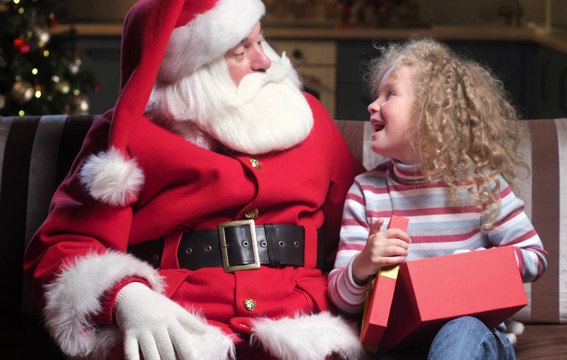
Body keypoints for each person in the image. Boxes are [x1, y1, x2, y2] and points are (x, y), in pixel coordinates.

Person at [22, 0, 367, 359]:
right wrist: (128, 298)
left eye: (260, 41)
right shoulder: (127, 136)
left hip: (305, 331)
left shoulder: (306, 116)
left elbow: (365, 216)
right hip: (183, 334)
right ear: (197, 68)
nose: (264, 61)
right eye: (240, 52)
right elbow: (61, 248)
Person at [327, 38, 548, 360]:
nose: (373, 105)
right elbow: (342, 301)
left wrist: (475, 265)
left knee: (461, 331)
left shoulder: (481, 184)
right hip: (399, 339)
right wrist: (363, 264)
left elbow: (535, 257)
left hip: (470, 336)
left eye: (390, 94)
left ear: (431, 112)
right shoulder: (366, 192)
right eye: (377, 95)